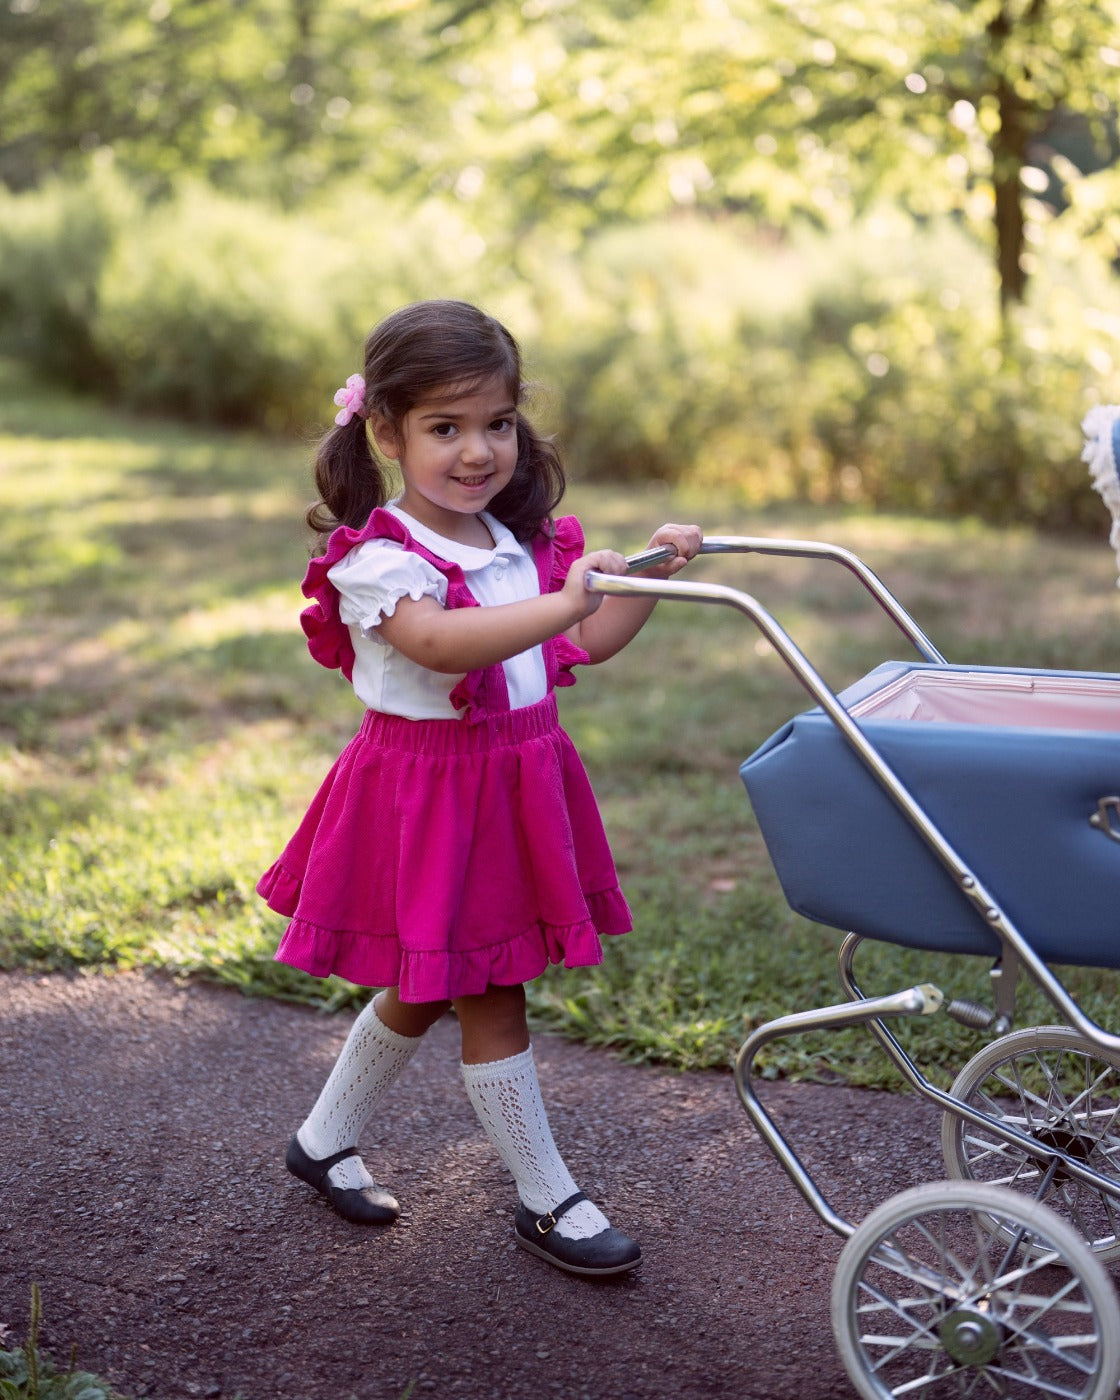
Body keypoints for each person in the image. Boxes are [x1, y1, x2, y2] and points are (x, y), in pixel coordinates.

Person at [257, 299, 701, 1277]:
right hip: (428, 801)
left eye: (496, 423)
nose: (477, 450)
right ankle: (548, 1198)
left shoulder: (513, 545)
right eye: (445, 427)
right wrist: (561, 597)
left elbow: (582, 640)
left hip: (515, 784)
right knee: (491, 988)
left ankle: (323, 1138)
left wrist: (636, 584)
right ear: (385, 432)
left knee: (428, 986)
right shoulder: (379, 558)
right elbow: (436, 640)